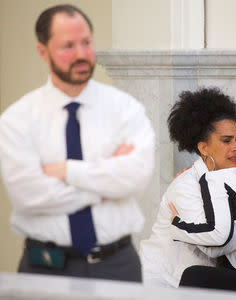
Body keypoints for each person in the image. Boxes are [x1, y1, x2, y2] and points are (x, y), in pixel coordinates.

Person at [0, 5, 155, 282]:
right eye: (67, 46)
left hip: (117, 266)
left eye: (86, 42)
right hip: (45, 269)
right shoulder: (17, 119)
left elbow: (135, 179)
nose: (81, 54)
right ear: (43, 51)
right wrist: (106, 181)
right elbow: (29, 196)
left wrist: (67, 172)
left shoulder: (125, 109)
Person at [139, 88, 236, 287]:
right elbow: (215, 245)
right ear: (203, 148)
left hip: (201, 283)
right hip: (165, 281)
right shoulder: (185, 187)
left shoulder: (232, 177)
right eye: (226, 141)